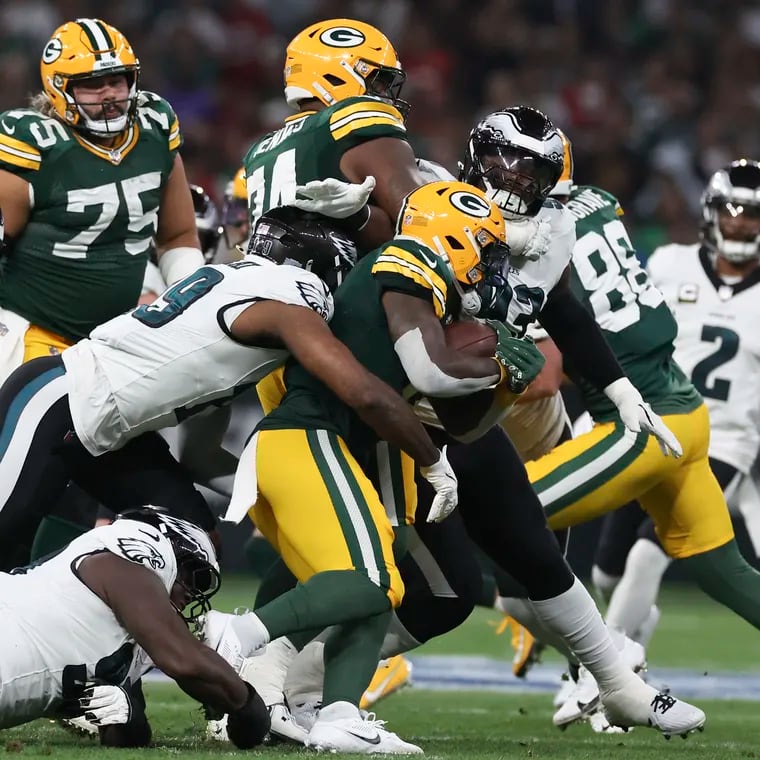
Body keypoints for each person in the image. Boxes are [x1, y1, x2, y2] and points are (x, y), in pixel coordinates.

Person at [203, 180, 543, 754]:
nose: (490, 266)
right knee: (371, 581)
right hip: (310, 436)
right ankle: (234, 637)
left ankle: (336, 713)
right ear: (454, 238)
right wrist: (491, 368)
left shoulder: (431, 293)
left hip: (337, 441)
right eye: (484, 248)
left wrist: (508, 385)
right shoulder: (408, 257)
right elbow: (431, 372)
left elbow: (462, 424)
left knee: (382, 584)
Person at [0, 209, 457, 573]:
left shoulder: (235, 291)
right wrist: (432, 460)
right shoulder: (285, 305)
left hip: (110, 430)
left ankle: (107, 672)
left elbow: (198, 456)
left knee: (193, 543)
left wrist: (277, 489)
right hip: (59, 399)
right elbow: (365, 392)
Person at [490, 135, 760, 730]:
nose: (499, 185)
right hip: (682, 411)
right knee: (726, 573)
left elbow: (549, 367)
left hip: (639, 417)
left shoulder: (533, 236)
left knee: (500, 519)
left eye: (510, 173)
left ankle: (607, 662)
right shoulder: (599, 202)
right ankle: (605, 662)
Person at [590, 159, 760, 661]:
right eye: (731, 209)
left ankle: (600, 674)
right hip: (655, 424)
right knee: (608, 570)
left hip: (725, 438)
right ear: (710, 212)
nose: (739, 222)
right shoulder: (668, 263)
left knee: (651, 550)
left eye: (751, 213)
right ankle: (630, 637)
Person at [0, 18, 204, 379]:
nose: (109, 94)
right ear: (60, 89)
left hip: (117, 337)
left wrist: (195, 304)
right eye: (93, 85)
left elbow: (177, 236)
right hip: (30, 331)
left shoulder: (154, 129)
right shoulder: (34, 145)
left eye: (116, 80)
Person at [0, 507, 270, 749]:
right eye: (196, 578)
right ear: (169, 548)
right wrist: (248, 705)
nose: (191, 596)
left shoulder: (115, 635)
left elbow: (128, 735)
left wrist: (127, 715)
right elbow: (184, 659)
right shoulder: (124, 560)